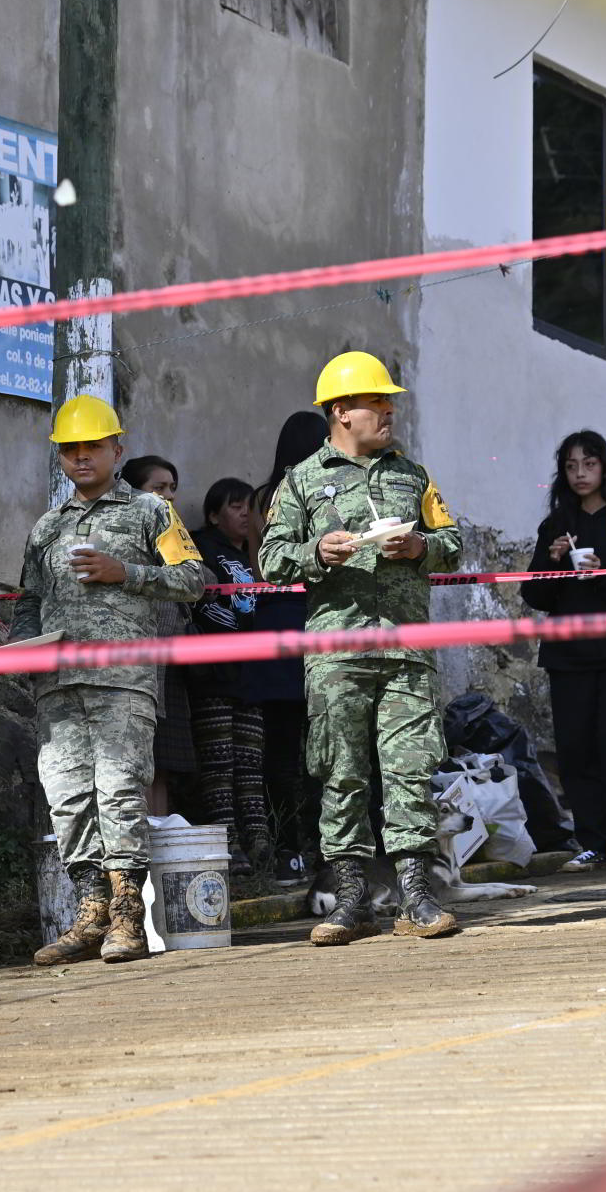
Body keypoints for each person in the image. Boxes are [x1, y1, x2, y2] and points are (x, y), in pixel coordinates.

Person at [259, 352, 463, 945]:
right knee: (341, 772)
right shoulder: (300, 480)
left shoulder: (413, 476)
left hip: (405, 650)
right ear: (341, 411)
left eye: (389, 402)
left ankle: (415, 894)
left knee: (409, 770)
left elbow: (453, 539)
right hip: (337, 651)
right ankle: (349, 897)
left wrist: (421, 548)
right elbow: (271, 560)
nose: (389, 411)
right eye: (378, 402)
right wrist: (316, 554)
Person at [15, 396, 205, 967]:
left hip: (123, 678)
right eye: (69, 449)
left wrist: (128, 573)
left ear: (116, 451)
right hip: (57, 684)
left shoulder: (150, 512)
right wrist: (22, 650)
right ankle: (89, 915)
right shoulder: (47, 527)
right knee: (68, 799)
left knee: (120, 791)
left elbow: (193, 578)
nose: (80, 457)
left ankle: (128, 919)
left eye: (92, 447)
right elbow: (29, 601)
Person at [518, 431, 606, 873]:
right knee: (576, 750)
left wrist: (602, 574)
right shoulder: (556, 524)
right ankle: (591, 838)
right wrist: (555, 562)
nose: (580, 474)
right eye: (572, 466)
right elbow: (534, 594)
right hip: (567, 655)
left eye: (589, 464)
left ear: (605, 468)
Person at [248, 412, 328, 888]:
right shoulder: (305, 492)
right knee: (311, 750)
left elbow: (263, 562)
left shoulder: (263, 497)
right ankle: (310, 848)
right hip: (302, 619)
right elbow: (272, 563)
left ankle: (289, 852)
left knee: (283, 749)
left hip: (276, 624)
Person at [188, 476, 271, 874]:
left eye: (247, 507)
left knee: (251, 764)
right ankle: (227, 846)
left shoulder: (252, 556)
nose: (244, 514)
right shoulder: (201, 545)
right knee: (219, 765)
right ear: (213, 514)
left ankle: (260, 844)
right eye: (235, 507)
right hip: (213, 673)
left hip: (249, 674)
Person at [121, 455, 198, 821]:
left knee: (162, 766)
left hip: (170, 671)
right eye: (158, 488)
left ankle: (163, 842)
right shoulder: (129, 534)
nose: (168, 496)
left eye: (172, 489)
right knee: (135, 763)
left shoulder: (174, 534)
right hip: (137, 669)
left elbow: (202, 578)